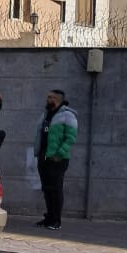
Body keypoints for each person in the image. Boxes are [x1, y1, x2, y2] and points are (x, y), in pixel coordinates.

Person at [33, 89, 78, 230]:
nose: (47, 99)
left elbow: (71, 138)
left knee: (56, 189)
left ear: (57, 99)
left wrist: (59, 154)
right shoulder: (46, 114)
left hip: (57, 159)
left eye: (50, 97)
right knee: (47, 189)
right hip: (43, 157)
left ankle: (56, 221)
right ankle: (49, 218)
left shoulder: (68, 115)